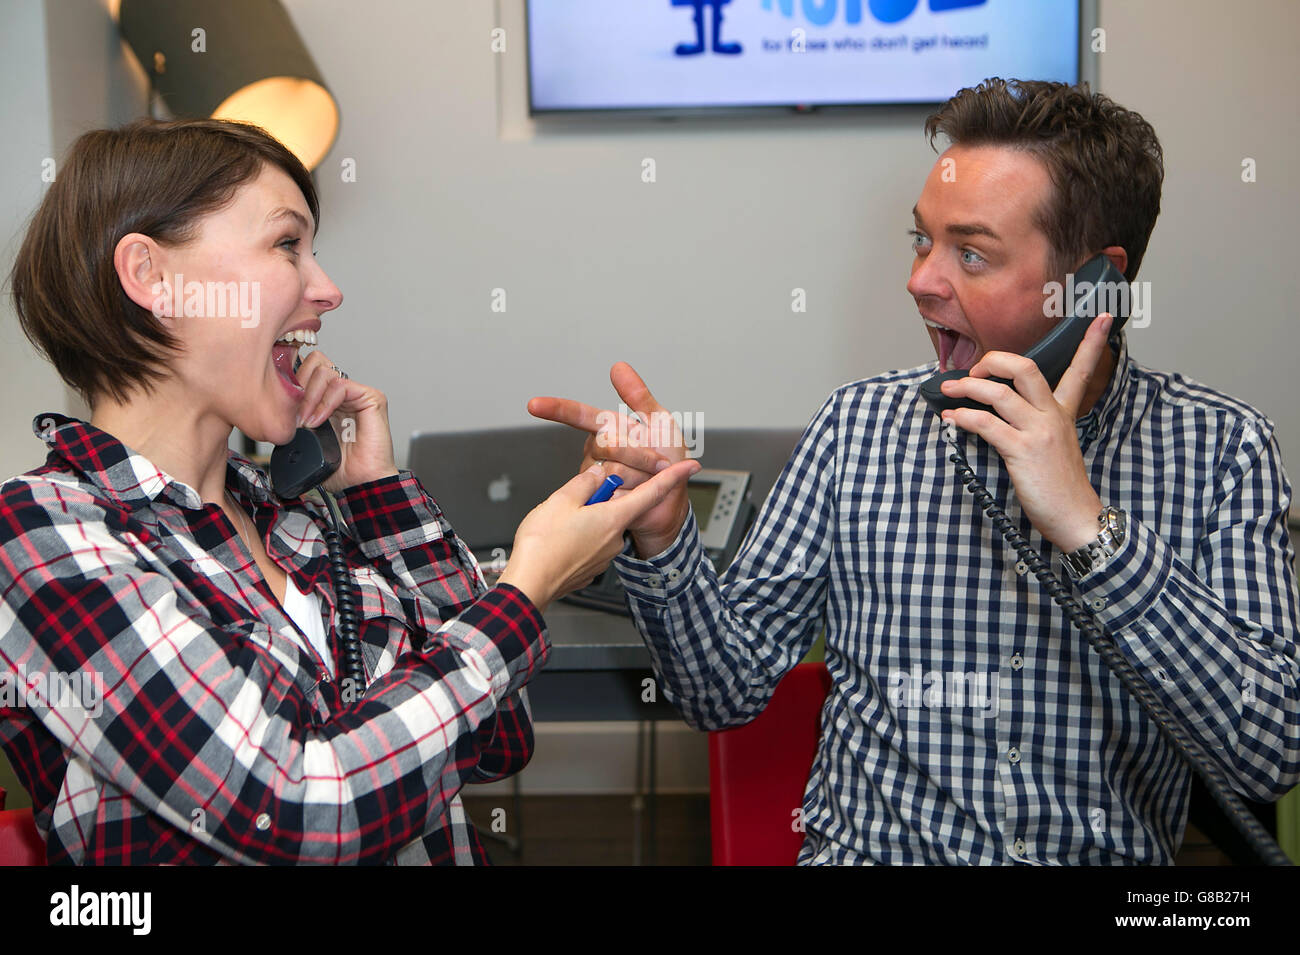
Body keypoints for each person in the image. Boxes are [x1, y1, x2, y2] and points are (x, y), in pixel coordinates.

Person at [529, 78, 1300, 864]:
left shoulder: (1223, 448)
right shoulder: (859, 427)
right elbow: (722, 691)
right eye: (921, 241)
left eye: (970, 253)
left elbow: (1267, 752)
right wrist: (664, 539)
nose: (922, 281)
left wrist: (1088, 530)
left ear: (1093, 282)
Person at [0, 118, 699, 865]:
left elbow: (500, 735)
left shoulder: (294, 520)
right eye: (285, 244)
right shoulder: (42, 532)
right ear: (151, 276)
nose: (328, 289)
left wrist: (379, 495)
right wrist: (525, 591)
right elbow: (297, 808)